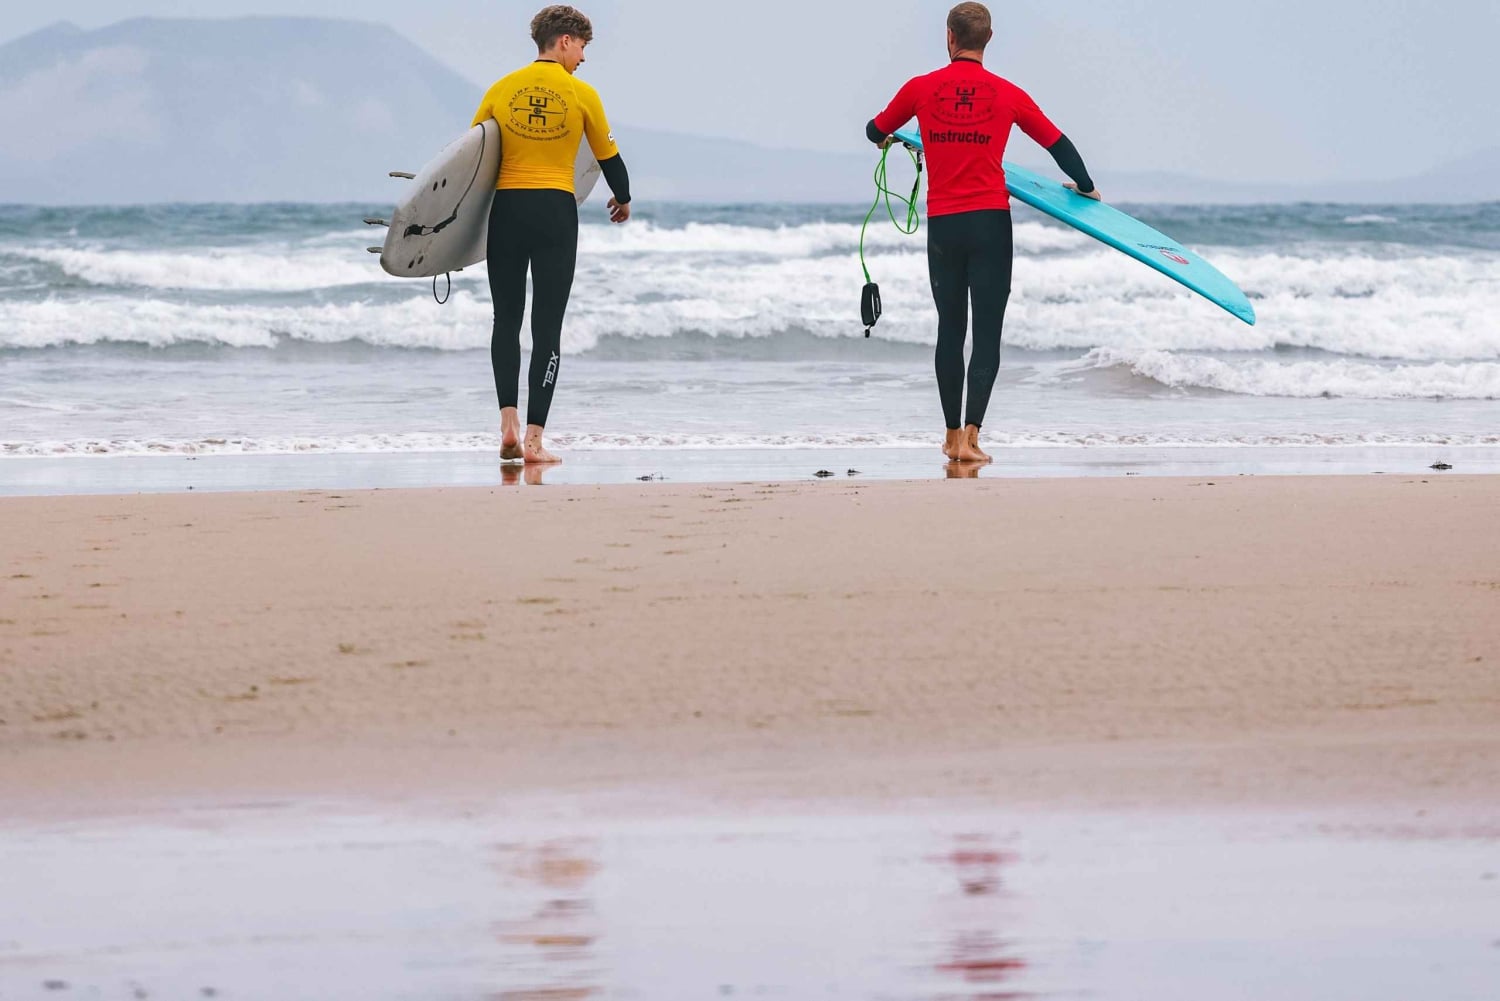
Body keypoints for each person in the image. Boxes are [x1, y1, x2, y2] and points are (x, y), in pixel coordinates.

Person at [866, 2, 1098, 463]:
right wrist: (1086, 188)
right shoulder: (1007, 94)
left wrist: (893, 138)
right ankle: (972, 439)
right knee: (987, 333)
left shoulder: (920, 89)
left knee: (950, 331)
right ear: (988, 39)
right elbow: (1058, 144)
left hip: (944, 227)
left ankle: (951, 437)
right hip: (991, 223)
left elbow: (874, 129)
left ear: (949, 37)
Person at [472, 5, 633, 464]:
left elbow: (471, 162)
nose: (582, 57)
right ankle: (536, 442)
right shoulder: (582, 93)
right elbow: (609, 159)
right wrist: (622, 198)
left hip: (507, 211)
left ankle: (507, 425)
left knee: (506, 320)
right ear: (564, 40)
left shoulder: (500, 89)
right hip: (555, 213)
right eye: (582, 46)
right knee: (547, 329)